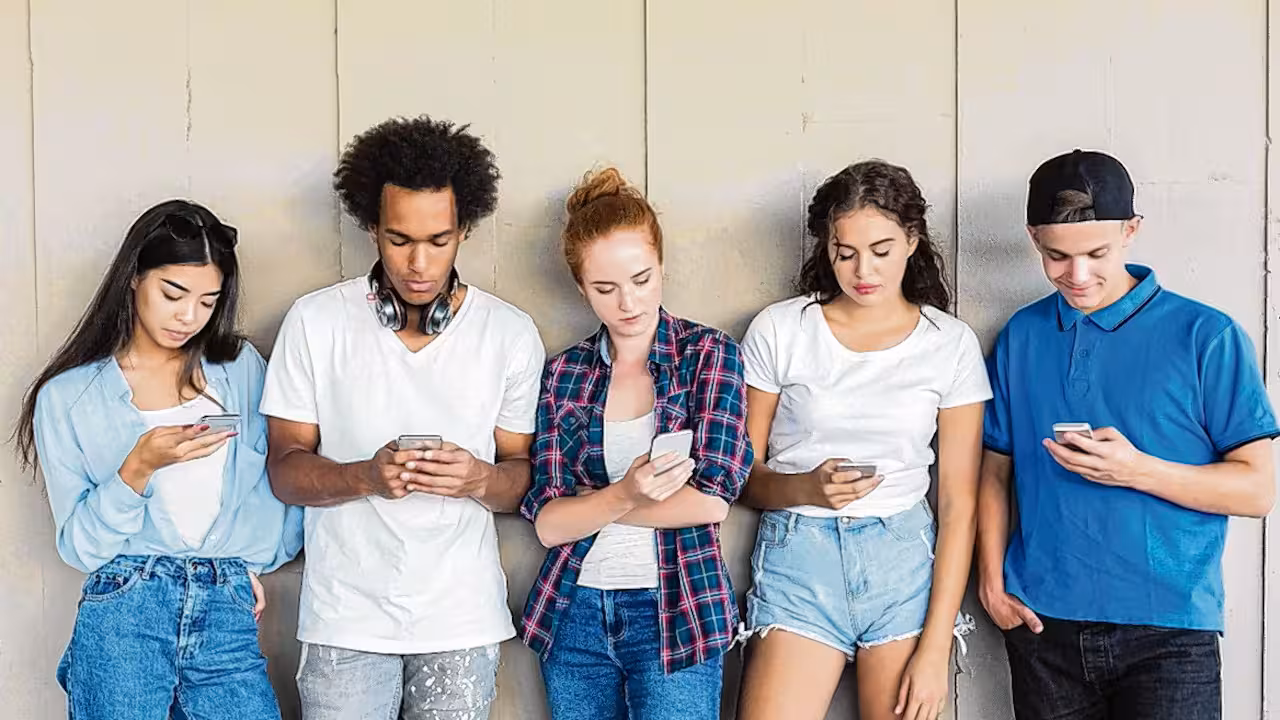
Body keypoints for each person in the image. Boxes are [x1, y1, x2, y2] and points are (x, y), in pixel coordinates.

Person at [976, 149, 1279, 720]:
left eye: (1097, 253)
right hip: (1044, 627)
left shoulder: (1206, 335)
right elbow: (995, 469)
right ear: (1033, 238)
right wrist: (992, 580)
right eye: (1056, 256)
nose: (1078, 275)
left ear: (1131, 231)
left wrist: (1135, 469)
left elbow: (1257, 491)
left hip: (1168, 633)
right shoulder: (1022, 335)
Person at [260, 115, 545, 720]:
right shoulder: (315, 322)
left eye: (438, 241)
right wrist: (364, 476)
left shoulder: (510, 333)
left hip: (461, 621)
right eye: (399, 239)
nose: (419, 263)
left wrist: (476, 479)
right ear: (370, 227)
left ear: (465, 230)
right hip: (345, 623)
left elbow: (521, 476)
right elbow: (284, 471)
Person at [14, 199, 303, 719]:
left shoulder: (239, 370)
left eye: (208, 302)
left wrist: (241, 565)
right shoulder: (69, 398)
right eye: (173, 294)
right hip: (126, 608)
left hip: (226, 606)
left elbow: (271, 487)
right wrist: (137, 467)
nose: (188, 317)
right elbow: (80, 546)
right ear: (133, 278)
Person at [735, 160, 990, 720]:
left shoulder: (950, 344)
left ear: (913, 241)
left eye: (881, 249)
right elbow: (742, 479)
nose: (862, 270)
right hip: (799, 556)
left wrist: (934, 645)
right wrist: (804, 488)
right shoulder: (782, 329)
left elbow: (958, 503)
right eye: (844, 251)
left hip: (902, 564)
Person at [519, 167, 753, 720]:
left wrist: (595, 506)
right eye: (605, 288)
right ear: (581, 288)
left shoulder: (708, 356)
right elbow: (549, 525)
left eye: (642, 279)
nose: (628, 302)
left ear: (662, 267)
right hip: (573, 613)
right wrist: (629, 492)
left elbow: (711, 499)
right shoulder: (565, 374)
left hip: (677, 609)